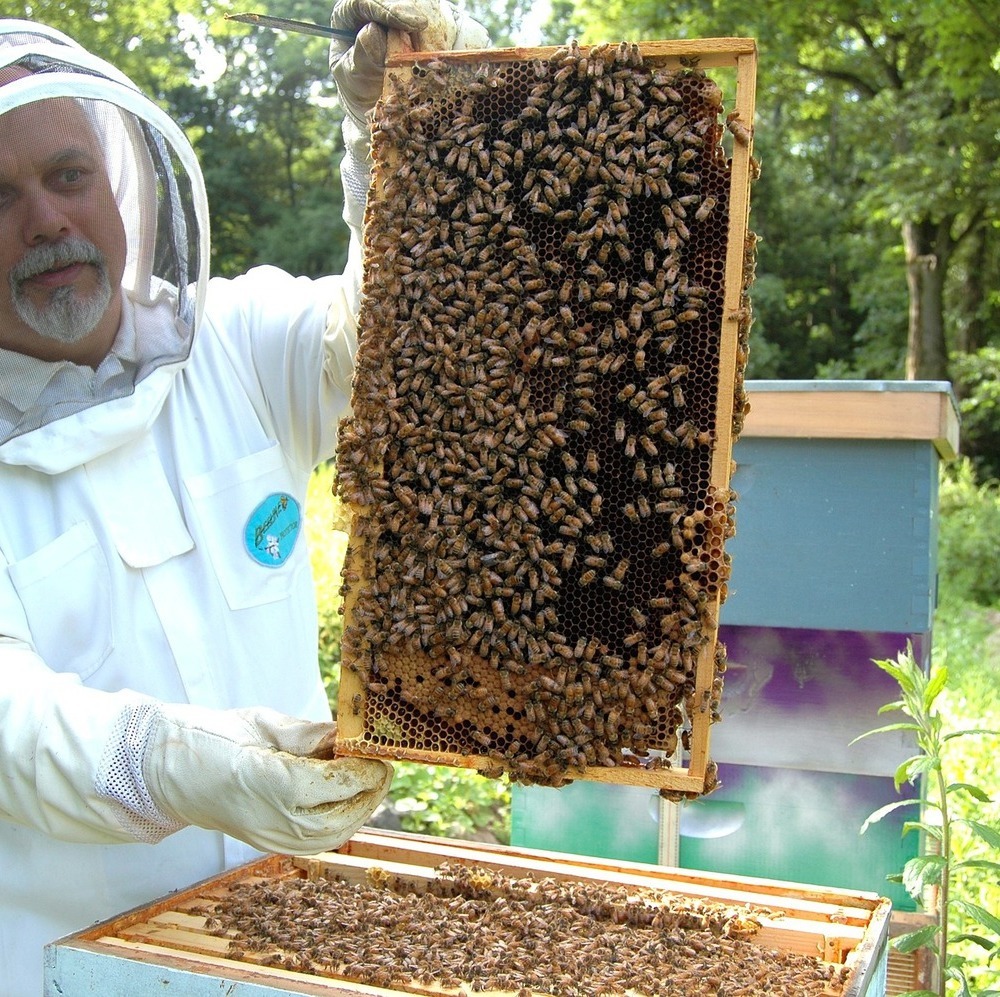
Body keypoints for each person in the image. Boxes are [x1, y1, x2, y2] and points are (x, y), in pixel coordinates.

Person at [0, 3, 488, 993]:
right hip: (67, 969)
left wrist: (411, 132)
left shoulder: (230, 341)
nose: (46, 219)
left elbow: (400, 348)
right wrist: (166, 761)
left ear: (122, 185)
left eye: (67, 176)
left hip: (302, 947)